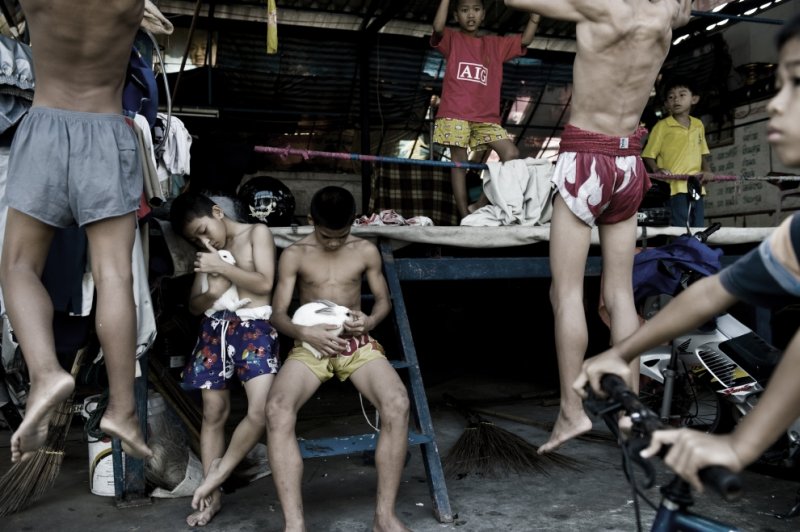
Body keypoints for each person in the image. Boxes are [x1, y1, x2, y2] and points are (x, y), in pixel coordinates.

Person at [574, 14, 800, 493]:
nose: (776, 105)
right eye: (777, 84)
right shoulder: (794, 235)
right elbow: (716, 292)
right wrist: (623, 353)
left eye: (796, 83)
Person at [504, 0, 691, 454]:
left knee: (565, 293)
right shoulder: (667, 13)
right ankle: (629, 413)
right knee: (620, 295)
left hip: (586, 157)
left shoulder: (601, 8)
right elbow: (684, 11)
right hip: (628, 165)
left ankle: (571, 411)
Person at [0, 0, 153, 463]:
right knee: (114, 276)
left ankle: (46, 372)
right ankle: (122, 410)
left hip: (45, 126)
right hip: (107, 132)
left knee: (19, 266)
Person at [265, 186, 411, 532]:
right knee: (276, 409)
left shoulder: (365, 250)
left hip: (355, 342)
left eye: (341, 235)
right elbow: (277, 314)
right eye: (326, 235)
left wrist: (370, 321)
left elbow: (382, 301)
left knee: (398, 403)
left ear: (353, 224)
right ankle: (295, 524)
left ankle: (384, 517)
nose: (333, 243)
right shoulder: (294, 254)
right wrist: (305, 334)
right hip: (310, 345)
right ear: (310, 220)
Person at [169, 191, 280, 527]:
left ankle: (217, 473)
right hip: (213, 330)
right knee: (214, 413)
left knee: (261, 411)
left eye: (203, 230)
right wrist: (213, 292)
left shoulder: (256, 234)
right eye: (194, 239)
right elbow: (194, 306)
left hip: (254, 329)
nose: (203, 240)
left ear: (217, 212)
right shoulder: (206, 254)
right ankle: (211, 500)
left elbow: (264, 284)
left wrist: (223, 268)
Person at [431, 0, 540, 221]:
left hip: (486, 117)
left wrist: (536, 14)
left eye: (476, 10)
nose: (470, 15)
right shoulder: (452, 39)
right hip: (455, 112)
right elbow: (438, 29)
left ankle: (478, 205)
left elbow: (526, 39)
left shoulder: (495, 45)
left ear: (483, 15)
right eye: (464, 10)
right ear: (456, 15)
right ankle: (464, 216)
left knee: (511, 154)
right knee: (459, 163)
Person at [642, 76, 713, 228]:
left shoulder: (698, 125)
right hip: (673, 187)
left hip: (696, 185)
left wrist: (708, 171)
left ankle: (695, 252)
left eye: (682, 95)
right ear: (667, 104)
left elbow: (701, 154)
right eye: (671, 97)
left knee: (698, 226)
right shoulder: (662, 127)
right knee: (679, 227)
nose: (676, 100)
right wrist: (657, 169)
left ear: (694, 99)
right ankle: (681, 251)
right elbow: (648, 155)